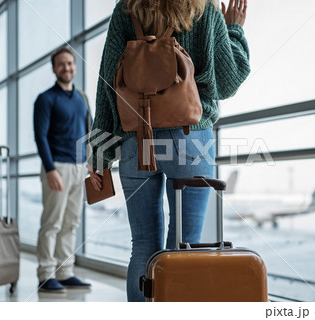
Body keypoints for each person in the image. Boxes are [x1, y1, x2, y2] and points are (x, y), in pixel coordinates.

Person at [88, 0, 249, 301]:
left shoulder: (128, 8)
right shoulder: (204, 9)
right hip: (191, 140)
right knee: (183, 248)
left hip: (137, 140)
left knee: (143, 245)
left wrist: (99, 154)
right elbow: (227, 81)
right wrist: (234, 30)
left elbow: (108, 83)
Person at [33, 47, 92, 293]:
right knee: (52, 223)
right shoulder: (45, 99)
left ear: (75, 67)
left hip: (80, 168)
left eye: (69, 63)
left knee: (71, 223)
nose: (66, 68)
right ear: (54, 68)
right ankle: (46, 274)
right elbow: (40, 137)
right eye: (61, 64)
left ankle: (65, 271)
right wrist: (50, 170)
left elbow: (89, 132)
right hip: (57, 167)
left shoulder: (82, 98)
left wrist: (91, 163)